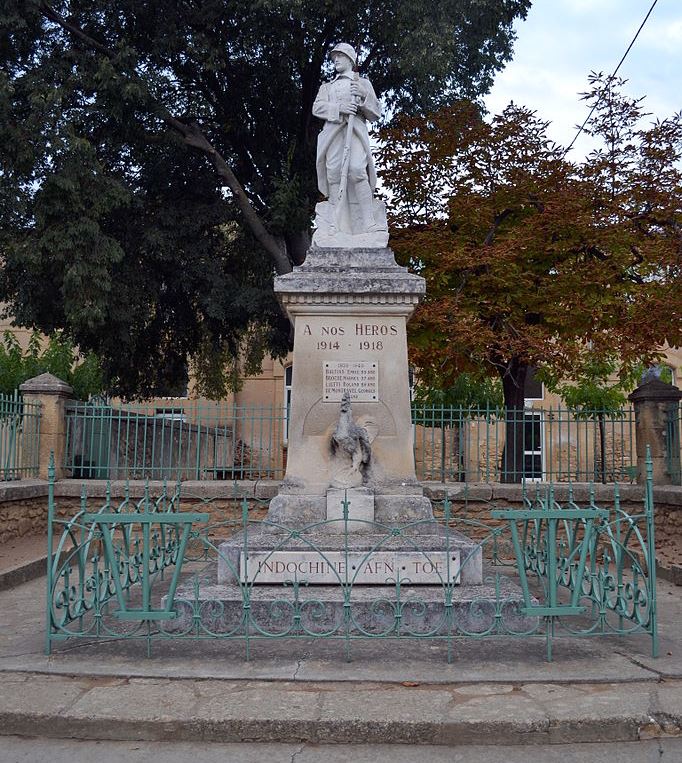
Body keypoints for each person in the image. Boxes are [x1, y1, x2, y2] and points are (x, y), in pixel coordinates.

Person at [312, 43, 383, 236]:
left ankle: (368, 223)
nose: (336, 60)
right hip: (333, 134)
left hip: (354, 132)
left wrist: (363, 97)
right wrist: (339, 108)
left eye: (340, 56)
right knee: (334, 173)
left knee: (357, 170)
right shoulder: (327, 87)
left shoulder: (363, 83)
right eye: (334, 56)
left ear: (351, 59)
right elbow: (317, 108)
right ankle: (339, 224)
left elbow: (375, 113)